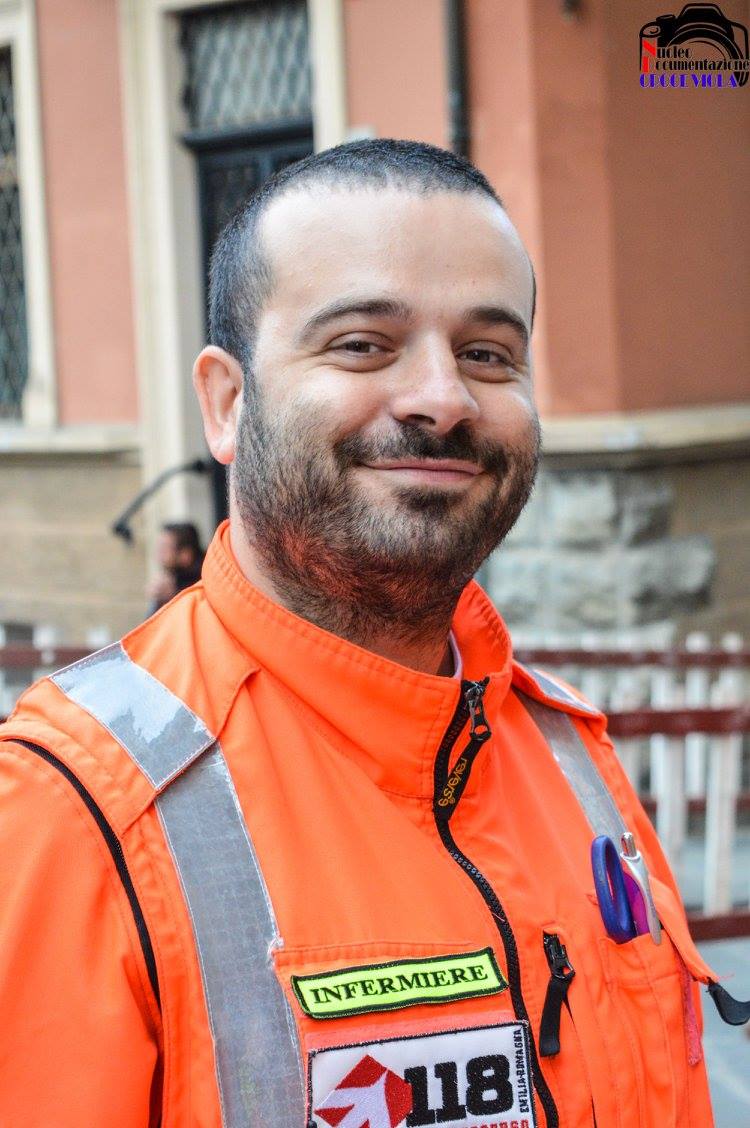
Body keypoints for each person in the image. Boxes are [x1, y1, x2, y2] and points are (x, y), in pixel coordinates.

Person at [0, 140, 744, 1128]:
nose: (443, 398)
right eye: (362, 344)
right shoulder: (73, 811)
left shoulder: (571, 755)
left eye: (488, 354)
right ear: (227, 404)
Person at [146, 521, 205, 613]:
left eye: (164, 548)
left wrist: (173, 596)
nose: (158, 555)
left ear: (185, 554)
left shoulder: (204, 583)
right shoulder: (173, 579)